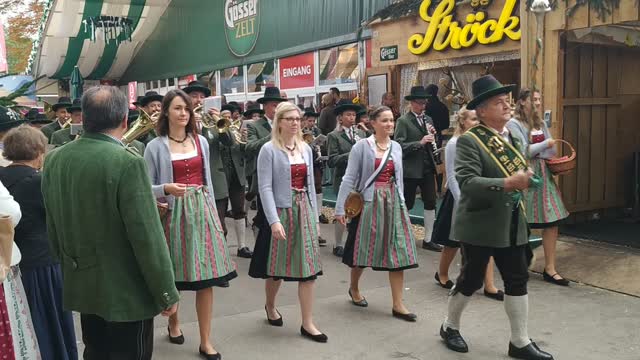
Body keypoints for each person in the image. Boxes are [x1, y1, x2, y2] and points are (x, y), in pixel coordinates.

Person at [42, 86, 179, 360]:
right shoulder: (127, 162)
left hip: (83, 283)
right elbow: (147, 238)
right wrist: (166, 291)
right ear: (124, 120)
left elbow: (53, 224)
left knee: (95, 353)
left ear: (84, 118)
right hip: (128, 292)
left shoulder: (55, 159)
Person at [438, 75, 553, 360]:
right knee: (471, 280)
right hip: (480, 224)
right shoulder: (469, 142)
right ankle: (449, 326)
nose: (507, 106)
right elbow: (466, 183)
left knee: (517, 278)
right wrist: (506, 184)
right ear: (482, 111)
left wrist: (527, 177)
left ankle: (520, 341)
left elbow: (520, 163)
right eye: (499, 102)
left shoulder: (514, 136)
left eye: (507, 101)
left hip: (512, 222)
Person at [144, 89, 237, 359]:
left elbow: (206, 181)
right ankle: (173, 322)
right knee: (173, 275)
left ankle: (206, 340)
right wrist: (166, 188)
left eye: (186, 108)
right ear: (166, 112)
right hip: (172, 215)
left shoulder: (201, 141)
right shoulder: (155, 146)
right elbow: (144, 187)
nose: (183, 113)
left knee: (205, 278)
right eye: (177, 108)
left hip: (201, 211)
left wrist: (215, 217)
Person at [248, 102, 326, 343]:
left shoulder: (305, 148)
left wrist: (314, 217)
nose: (295, 122)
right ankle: (270, 305)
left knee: (309, 271)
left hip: (302, 208)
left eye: (297, 118)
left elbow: (311, 186)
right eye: (290, 118)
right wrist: (273, 220)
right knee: (276, 270)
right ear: (279, 122)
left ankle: (307, 322)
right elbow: (265, 187)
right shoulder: (268, 150)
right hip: (281, 211)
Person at [335, 105, 419, 322]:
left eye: (391, 120)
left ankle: (398, 303)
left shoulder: (397, 147)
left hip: (392, 203)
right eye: (384, 120)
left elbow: (398, 179)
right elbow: (349, 178)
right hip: (370, 203)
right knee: (362, 250)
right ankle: (353, 287)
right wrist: (339, 209)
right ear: (372, 123)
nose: (389, 124)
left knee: (398, 251)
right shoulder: (361, 147)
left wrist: (402, 204)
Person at [0, 125, 77, 360]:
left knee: (19, 324)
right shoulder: (40, 182)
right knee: (47, 325)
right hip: (41, 265)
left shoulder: (2, 178)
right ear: (39, 152)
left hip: (10, 263)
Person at [431, 107, 504, 301]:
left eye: (478, 120)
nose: (477, 123)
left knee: (485, 239)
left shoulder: (480, 141)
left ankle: (489, 284)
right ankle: (443, 273)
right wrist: (462, 199)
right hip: (460, 197)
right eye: (473, 119)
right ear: (463, 122)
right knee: (453, 241)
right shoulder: (455, 143)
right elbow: (452, 176)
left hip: (479, 195)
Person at [507, 89, 570, 286]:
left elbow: (553, 150)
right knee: (520, 222)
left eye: (539, 99)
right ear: (522, 102)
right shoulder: (513, 124)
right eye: (533, 99)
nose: (537, 103)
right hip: (524, 175)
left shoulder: (541, 123)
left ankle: (550, 268)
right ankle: (516, 265)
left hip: (544, 175)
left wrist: (543, 147)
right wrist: (544, 145)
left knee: (552, 221)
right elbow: (521, 150)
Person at [394, 86, 442, 252]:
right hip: (411, 168)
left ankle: (428, 239)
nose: (423, 106)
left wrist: (433, 137)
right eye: (420, 103)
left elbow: (432, 141)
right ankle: (402, 236)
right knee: (407, 203)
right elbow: (398, 145)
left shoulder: (428, 119)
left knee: (430, 201)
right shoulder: (403, 121)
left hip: (427, 167)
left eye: (425, 103)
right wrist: (419, 143)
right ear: (412, 103)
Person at [327, 99, 367, 257]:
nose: (352, 117)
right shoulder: (334, 136)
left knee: (357, 210)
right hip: (343, 176)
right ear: (340, 118)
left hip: (360, 178)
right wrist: (351, 155)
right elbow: (332, 160)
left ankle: (354, 242)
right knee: (343, 209)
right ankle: (338, 244)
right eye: (348, 115)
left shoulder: (361, 133)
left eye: (354, 114)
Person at [245, 87, 287, 234]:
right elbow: (249, 148)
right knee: (265, 217)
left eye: (279, 105)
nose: (277, 109)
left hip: (284, 176)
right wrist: (272, 135)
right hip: (264, 178)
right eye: (274, 105)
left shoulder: (286, 123)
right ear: (265, 106)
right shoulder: (253, 125)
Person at [302, 107, 329, 226]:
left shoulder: (317, 131)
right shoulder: (301, 131)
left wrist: (319, 144)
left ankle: (318, 212)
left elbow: (323, 145)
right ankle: (309, 211)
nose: (312, 123)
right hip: (305, 161)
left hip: (316, 161)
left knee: (318, 186)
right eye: (310, 121)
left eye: (313, 121)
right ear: (305, 121)